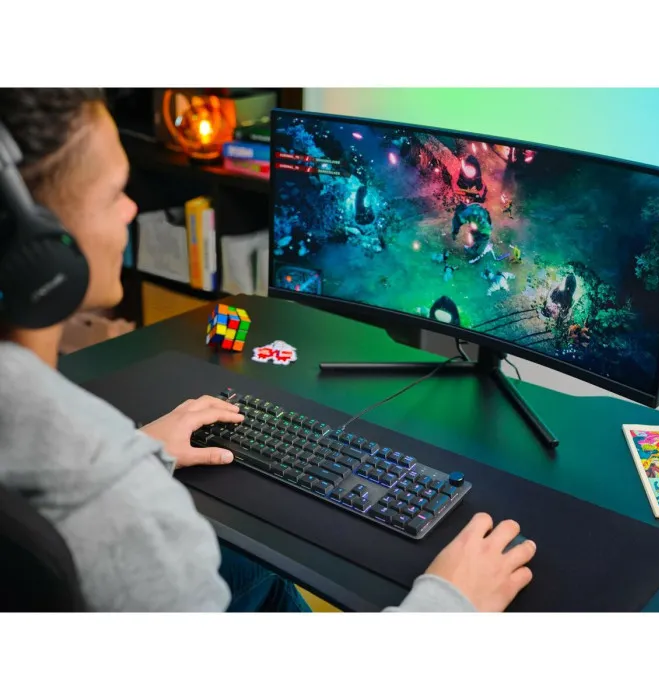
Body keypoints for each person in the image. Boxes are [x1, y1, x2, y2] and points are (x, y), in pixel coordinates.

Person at [0, 89, 536, 612]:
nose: (132, 208)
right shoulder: (122, 510)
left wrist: (142, 448)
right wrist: (449, 602)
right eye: (114, 193)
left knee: (265, 573)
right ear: (38, 248)